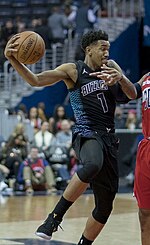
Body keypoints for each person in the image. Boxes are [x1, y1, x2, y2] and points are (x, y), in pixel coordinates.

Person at [4, 29, 142, 244]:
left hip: (109, 138)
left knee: (105, 207)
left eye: (108, 48)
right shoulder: (74, 70)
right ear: (89, 49)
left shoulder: (112, 67)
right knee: (92, 164)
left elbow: (133, 93)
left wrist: (121, 78)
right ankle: (54, 218)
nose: (107, 52)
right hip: (86, 132)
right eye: (102, 48)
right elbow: (36, 80)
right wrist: (13, 59)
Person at [133, 72, 150, 245]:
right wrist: (120, 77)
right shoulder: (146, 78)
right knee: (144, 211)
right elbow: (130, 93)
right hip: (147, 146)